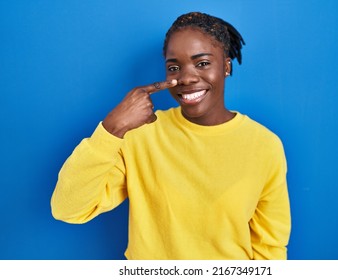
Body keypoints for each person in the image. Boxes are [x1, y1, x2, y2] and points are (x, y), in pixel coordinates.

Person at [51, 11, 291, 260]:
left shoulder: (264, 145)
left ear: (226, 66)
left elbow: (270, 248)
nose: (186, 77)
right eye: (174, 67)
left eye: (202, 63)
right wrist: (112, 128)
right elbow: (67, 209)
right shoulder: (140, 136)